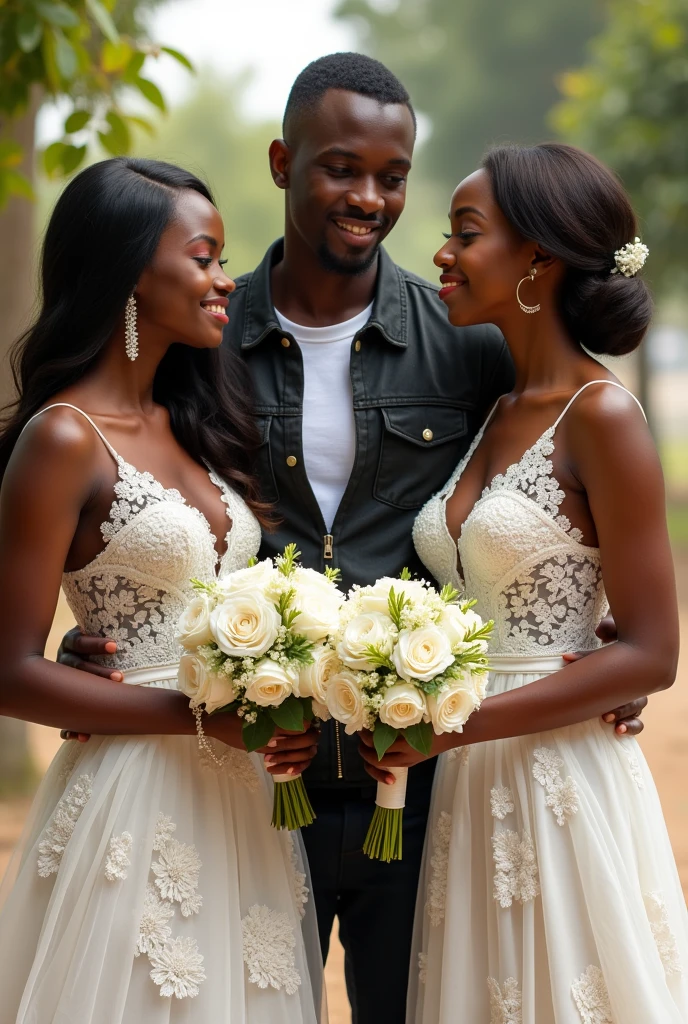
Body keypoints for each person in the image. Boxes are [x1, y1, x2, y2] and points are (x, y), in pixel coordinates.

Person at [58, 56, 647, 1023]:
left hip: (423, 793)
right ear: (285, 163)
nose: (369, 198)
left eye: (392, 174)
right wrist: (91, 648)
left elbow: (551, 496)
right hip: (244, 782)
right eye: (340, 168)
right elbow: (126, 505)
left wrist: (604, 654)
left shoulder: (470, 341)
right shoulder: (200, 339)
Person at [360, 142, 688, 1022]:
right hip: (466, 784)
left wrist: (456, 727)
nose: (441, 254)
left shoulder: (605, 417)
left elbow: (654, 653)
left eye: (465, 233)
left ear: (539, 258)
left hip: (561, 777)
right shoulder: (496, 410)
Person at [0, 157, 323, 1022]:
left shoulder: (198, 426)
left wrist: (277, 706)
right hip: (131, 804)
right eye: (206, 256)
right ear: (132, 268)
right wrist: (194, 715)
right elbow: (8, 669)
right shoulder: (63, 439)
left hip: (242, 805)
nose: (226, 281)